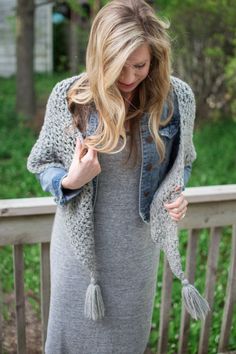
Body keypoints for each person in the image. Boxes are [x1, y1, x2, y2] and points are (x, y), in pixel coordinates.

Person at [27, 1, 210, 353]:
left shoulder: (177, 99)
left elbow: (182, 162)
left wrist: (176, 192)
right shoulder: (70, 97)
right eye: (116, 66)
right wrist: (71, 181)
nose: (128, 77)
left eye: (139, 65)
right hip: (78, 256)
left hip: (136, 255)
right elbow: (42, 163)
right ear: (99, 56)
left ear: (155, 57)